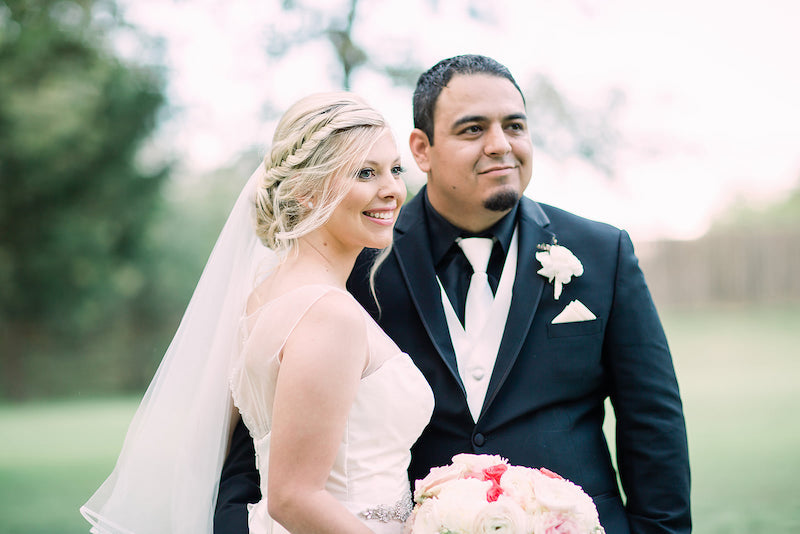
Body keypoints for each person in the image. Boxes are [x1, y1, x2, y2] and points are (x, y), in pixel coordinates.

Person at [217, 55, 691, 534]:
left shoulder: (602, 252)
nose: (500, 145)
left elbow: (653, 424)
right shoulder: (356, 255)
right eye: (472, 129)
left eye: (515, 125)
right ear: (422, 149)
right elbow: (267, 437)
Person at [80, 92, 434, 534]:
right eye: (365, 172)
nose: (392, 190)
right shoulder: (329, 315)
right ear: (305, 193)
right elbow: (294, 497)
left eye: (394, 169)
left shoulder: (267, 293)